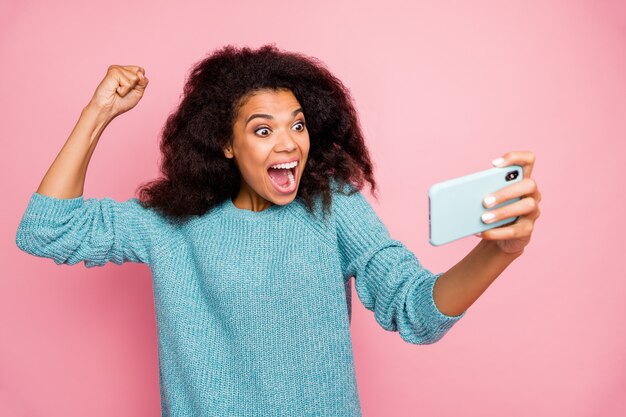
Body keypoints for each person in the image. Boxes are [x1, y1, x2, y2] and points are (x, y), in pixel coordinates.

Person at [15, 44, 542, 416]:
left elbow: (416, 312)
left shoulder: (333, 207)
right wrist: (99, 111)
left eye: (296, 124)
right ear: (226, 144)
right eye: (262, 130)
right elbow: (47, 229)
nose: (288, 144)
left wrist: (499, 253)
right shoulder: (171, 224)